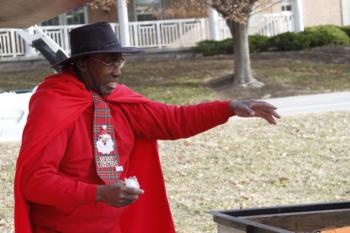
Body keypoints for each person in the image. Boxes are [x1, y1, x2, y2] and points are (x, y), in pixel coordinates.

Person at [14, 22, 280, 233]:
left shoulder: (120, 100)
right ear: (82, 64)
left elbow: (173, 121)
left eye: (120, 61)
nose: (118, 71)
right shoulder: (55, 105)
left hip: (111, 227)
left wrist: (228, 107)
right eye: (109, 61)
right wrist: (97, 193)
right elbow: (35, 181)